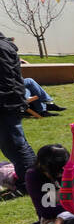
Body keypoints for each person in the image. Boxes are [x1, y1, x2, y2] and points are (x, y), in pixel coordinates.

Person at [0, 30, 36, 191]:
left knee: (15, 145)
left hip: (7, 104)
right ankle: (32, 178)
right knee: (14, 144)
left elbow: (6, 81)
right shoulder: (4, 46)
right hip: (9, 102)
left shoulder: (1, 48)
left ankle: (29, 182)